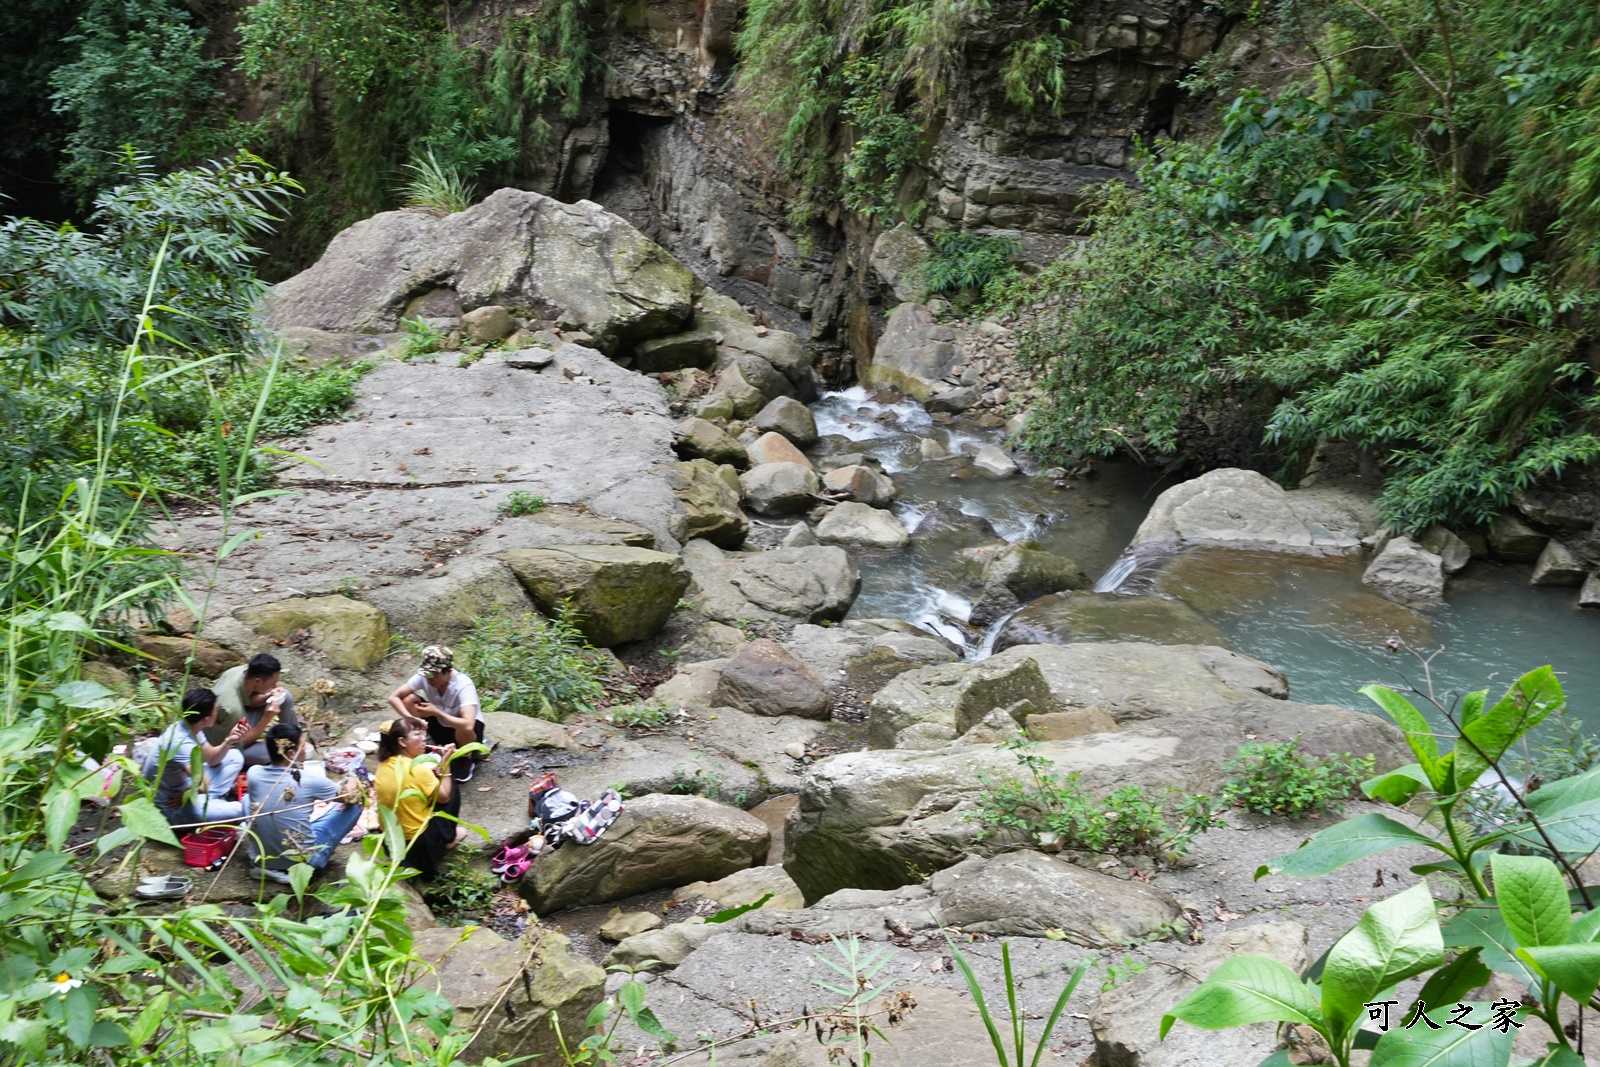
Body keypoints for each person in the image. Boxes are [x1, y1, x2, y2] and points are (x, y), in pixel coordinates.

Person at [244, 722, 364, 885]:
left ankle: (267, 864)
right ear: (291, 753)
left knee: (247, 799)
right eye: (303, 745)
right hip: (303, 861)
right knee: (357, 802)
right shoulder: (309, 779)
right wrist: (352, 779)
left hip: (263, 858)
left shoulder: (254, 773)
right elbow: (349, 797)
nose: (306, 747)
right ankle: (291, 870)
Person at [373, 717, 466, 877]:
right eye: (417, 734)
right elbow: (443, 797)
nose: (424, 739)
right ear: (402, 742)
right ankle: (448, 838)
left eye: (424, 734)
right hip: (419, 844)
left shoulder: (383, 765)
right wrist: (446, 765)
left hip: (393, 841)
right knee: (451, 786)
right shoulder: (418, 769)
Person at [149, 688, 249, 826]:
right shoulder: (182, 744)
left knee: (235, 756)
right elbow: (203, 785)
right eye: (215, 709)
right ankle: (215, 805)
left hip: (189, 787)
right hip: (172, 807)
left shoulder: (189, 726)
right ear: (206, 719)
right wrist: (187, 791)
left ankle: (214, 802)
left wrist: (229, 740)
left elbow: (212, 759)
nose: (217, 712)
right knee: (244, 809)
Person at [386, 645, 485, 782]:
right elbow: (394, 698)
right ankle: (427, 741)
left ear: (448, 672)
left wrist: (437, 712)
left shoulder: (463, 685)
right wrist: (412, 720)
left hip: (465, 735)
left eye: (434, 675)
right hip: (439, 725)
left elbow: (468, 725)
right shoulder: (424, 677)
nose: (429, 679)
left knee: (463, 727)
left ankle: (464, 758)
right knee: (408, 699)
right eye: (427, 675)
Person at [208, 653, 299, 768]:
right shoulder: (231, 707)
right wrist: (267, 717)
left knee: (285, 696)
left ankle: (296, 739)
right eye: (272, 684)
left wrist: (268, 696)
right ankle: (292, 753)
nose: (275, 687)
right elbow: (241, 743)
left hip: (239, 718)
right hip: (226, 748)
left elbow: (248, 700)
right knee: (278, 750)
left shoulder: (243, 672)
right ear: (257, 681)